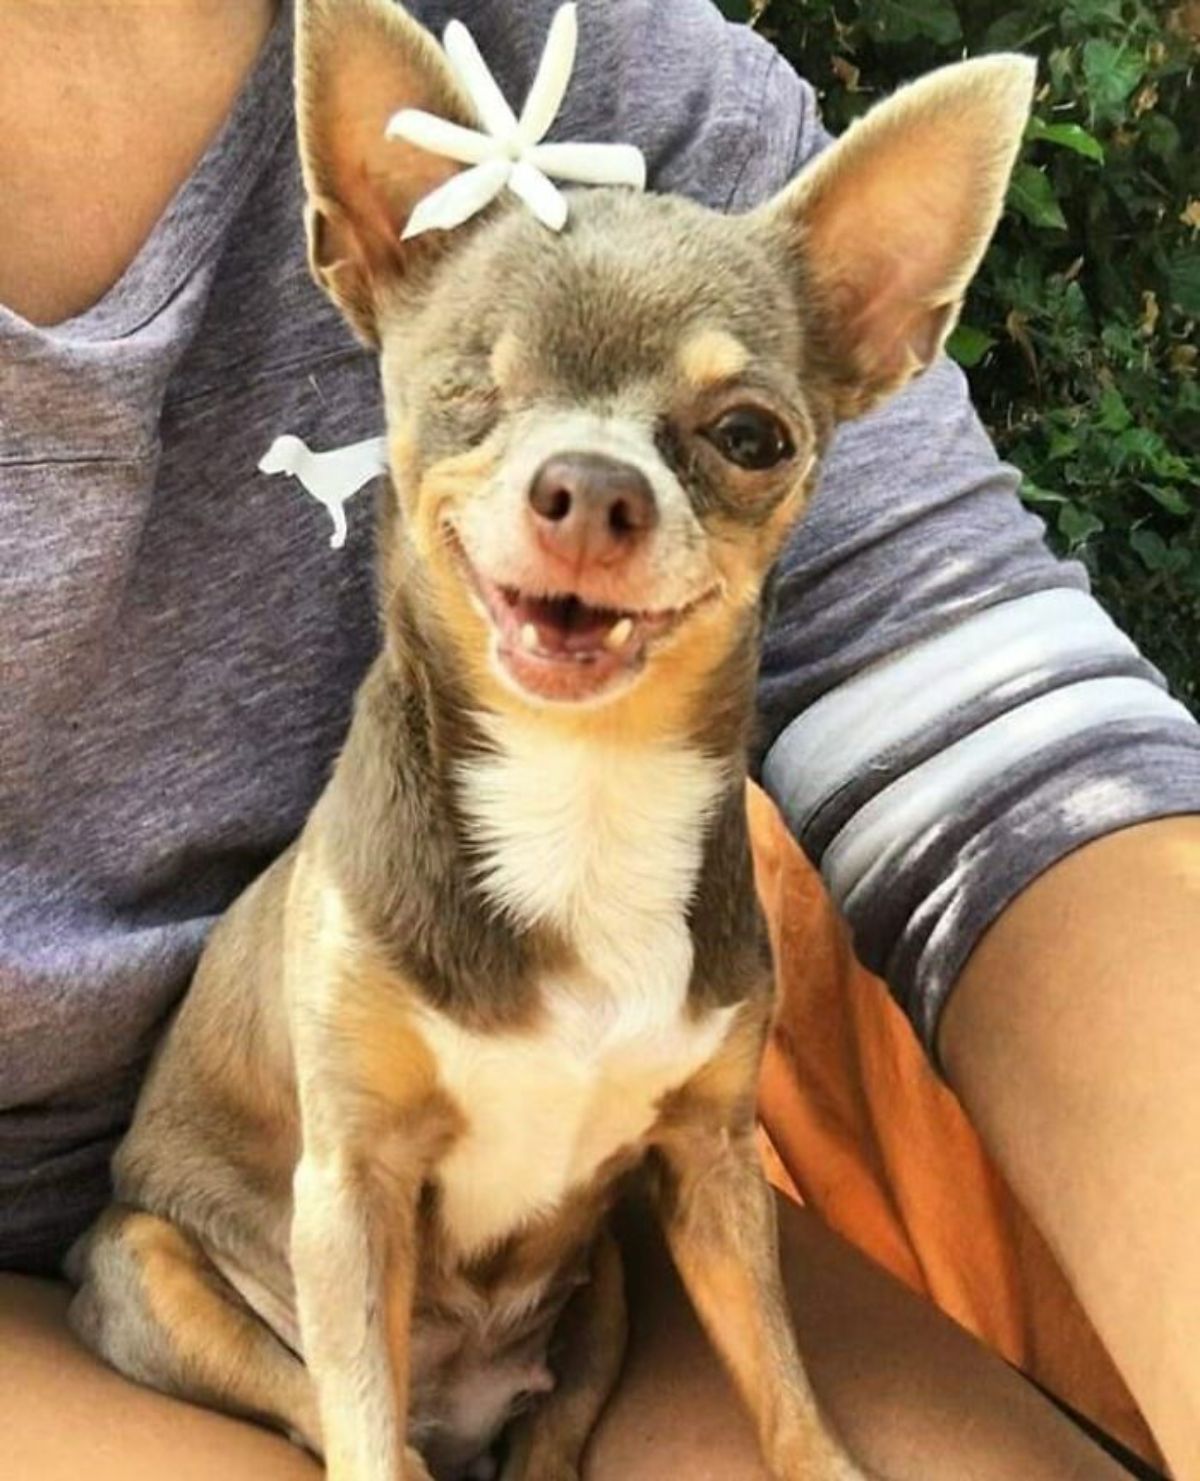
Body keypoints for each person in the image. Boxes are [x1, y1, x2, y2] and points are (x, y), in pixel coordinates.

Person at [1, 2, 1197, 1477]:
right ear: (363, 243)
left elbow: (1015, 754)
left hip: (556, 1258)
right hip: (190, 1256)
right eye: (487, 404)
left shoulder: (605, 64)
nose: (592, 496)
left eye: (740, 435)